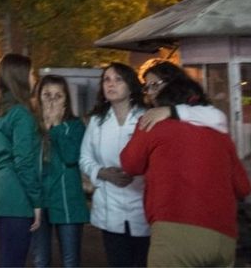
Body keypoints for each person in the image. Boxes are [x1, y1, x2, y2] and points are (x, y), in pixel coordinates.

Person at [80, 62, 231, 267]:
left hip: (145, 209)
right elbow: (85, 158)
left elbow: (139, 162)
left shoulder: (152, 115)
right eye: (106, 80)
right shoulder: (97, 121)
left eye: (118, 79)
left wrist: (171, 111)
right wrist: (101, 172)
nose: (111, 84)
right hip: (110, 206)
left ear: (131, 86)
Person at [121, 74, 251, 267]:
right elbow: (243, 187)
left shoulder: (153, 124)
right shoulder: (221, 137)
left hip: (175, 232)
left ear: (165, 103)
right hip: (224, 237)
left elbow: (129, 164)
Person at [0, 53, 42, 267]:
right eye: (31, 72)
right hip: (17, 195)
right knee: (14, 260)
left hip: (0, 191)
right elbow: (24, 162)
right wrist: (36, 201)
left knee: (8, 258)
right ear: (20, 77)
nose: (34, 77)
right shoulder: (22, 113)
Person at [30, 75, 89, 268]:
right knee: (40, 260)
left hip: (67, 201)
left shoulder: (75, 126)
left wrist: (55, 127)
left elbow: (71, 157)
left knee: (70, 261)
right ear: (38, 97)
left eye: (58, 96)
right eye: (47, 95)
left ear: (66, 100)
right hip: (39, 202)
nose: (52, 101)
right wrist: (44, 127)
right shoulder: (31, 126)